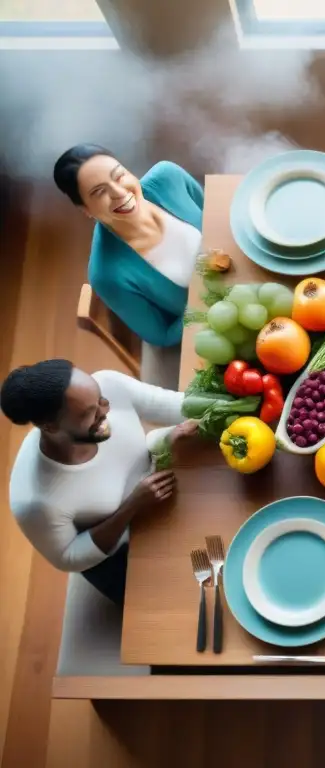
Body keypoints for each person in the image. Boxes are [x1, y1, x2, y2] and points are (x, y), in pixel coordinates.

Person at [2, 360, 194, 605]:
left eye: (101, 399)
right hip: (117, 553)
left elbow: (173, 404)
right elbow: (68, 556)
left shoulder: (107, 383)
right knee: (176, 605)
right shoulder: (34, 500)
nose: (105, 410)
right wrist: (131, 507)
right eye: (89, 414)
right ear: (50, 427)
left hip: (154, 491)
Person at [53, 145, 205, 387]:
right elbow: (161, 335)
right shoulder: (107, 274)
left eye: (119, 175)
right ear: (86, 210)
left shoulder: (169, 177)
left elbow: (213, 215)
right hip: (204, 327)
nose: (119, 192)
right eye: (99, 191)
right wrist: (205, 302)